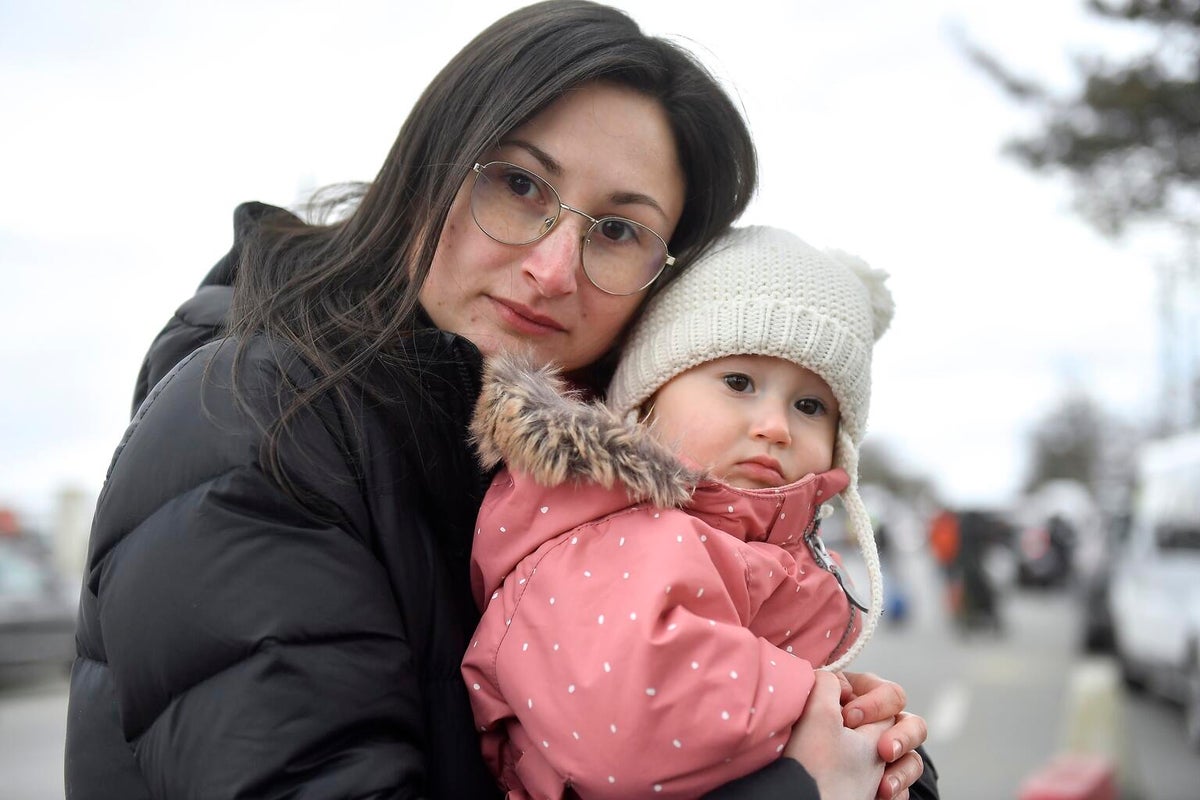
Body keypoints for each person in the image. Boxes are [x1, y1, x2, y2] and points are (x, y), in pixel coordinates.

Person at [65, 2, 931, 798]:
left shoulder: (584, 489)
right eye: (519, 184)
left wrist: (879, 753)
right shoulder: (256, 425)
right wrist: (799, 787)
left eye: (619, 231)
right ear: (432, 162)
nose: (552, 270)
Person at [463, 226, 935, 799]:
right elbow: (632, 723)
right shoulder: (612, 534)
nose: (776, 426)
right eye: (738, 382)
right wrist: (817, 703)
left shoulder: (773, 551)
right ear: (650, 391)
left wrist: (878, 739)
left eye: (810, 406)